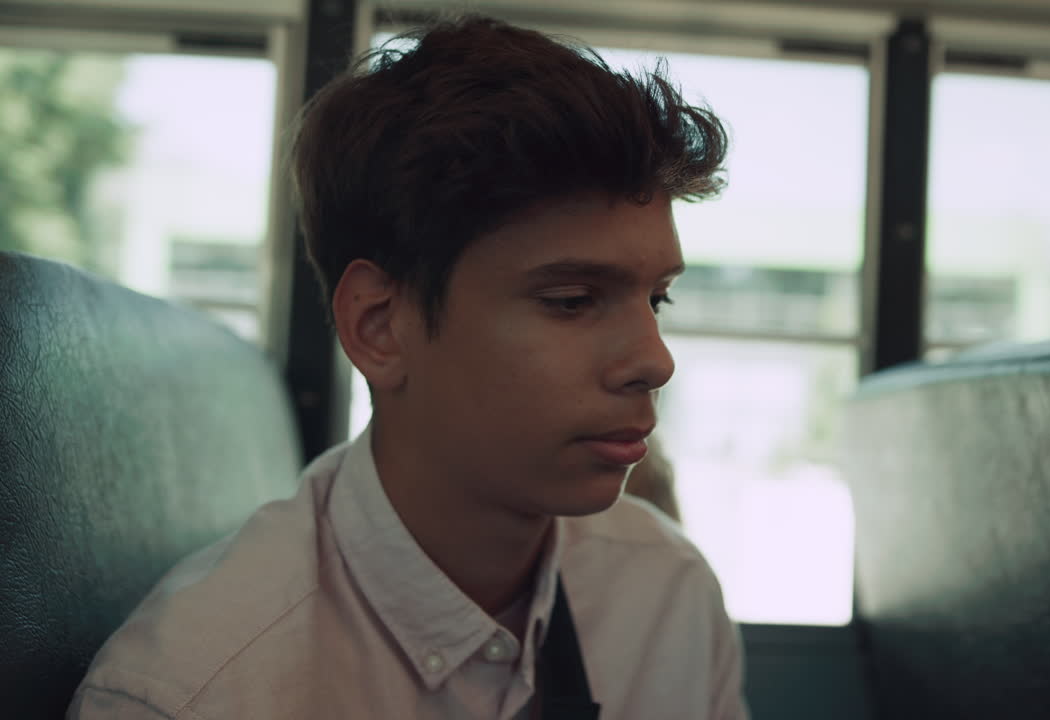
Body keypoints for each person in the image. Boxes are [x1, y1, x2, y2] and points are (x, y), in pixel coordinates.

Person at [67, 12, 746, 720]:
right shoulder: (193, 692)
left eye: (657, 299)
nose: (654, 360)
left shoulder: (671, 597)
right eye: (572, 301)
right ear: (380, 326)